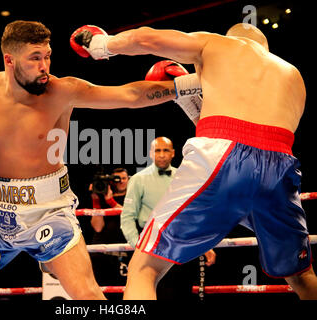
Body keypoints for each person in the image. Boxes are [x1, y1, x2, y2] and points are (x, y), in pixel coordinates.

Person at [0, 20, 202, 300]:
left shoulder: (62, 92)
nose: (44, 66)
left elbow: (129, 95)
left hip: (50, 213)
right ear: (9, 60)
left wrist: (186, 84)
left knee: (88, 295)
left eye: (47, 56)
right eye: (35, 58)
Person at [70, 23, 317, 299]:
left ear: (231, 38)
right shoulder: (293, 76)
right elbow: (252, 138)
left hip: (223, 156)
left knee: (145, 266)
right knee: (301, 275)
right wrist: (187, 97)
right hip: (280, 168)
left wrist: (101, 45)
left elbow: (146, 39)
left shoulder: (219, 45)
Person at [121, 136, 215, 299]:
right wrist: (138, 245)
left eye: (165, 150)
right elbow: (127, 217)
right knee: (153, 291)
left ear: (173, 153)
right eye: (158, 150)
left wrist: (204, 245)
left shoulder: (183, 177)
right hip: (152, 242)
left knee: (181, 294)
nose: (162, 155)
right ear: (151, 153)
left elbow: (193, 216)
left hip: (182, 243)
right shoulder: (138, 179)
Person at [89, 168, 130, 287]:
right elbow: (97, 227)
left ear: (129, 179)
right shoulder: (101, 198)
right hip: (103, 254)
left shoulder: (133, 197)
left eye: (124, 178)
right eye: (117, 179)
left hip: (126, 253)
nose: (121, 181)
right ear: (111, 181)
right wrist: (96, 201)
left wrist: (111, 202)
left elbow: (130, 216)